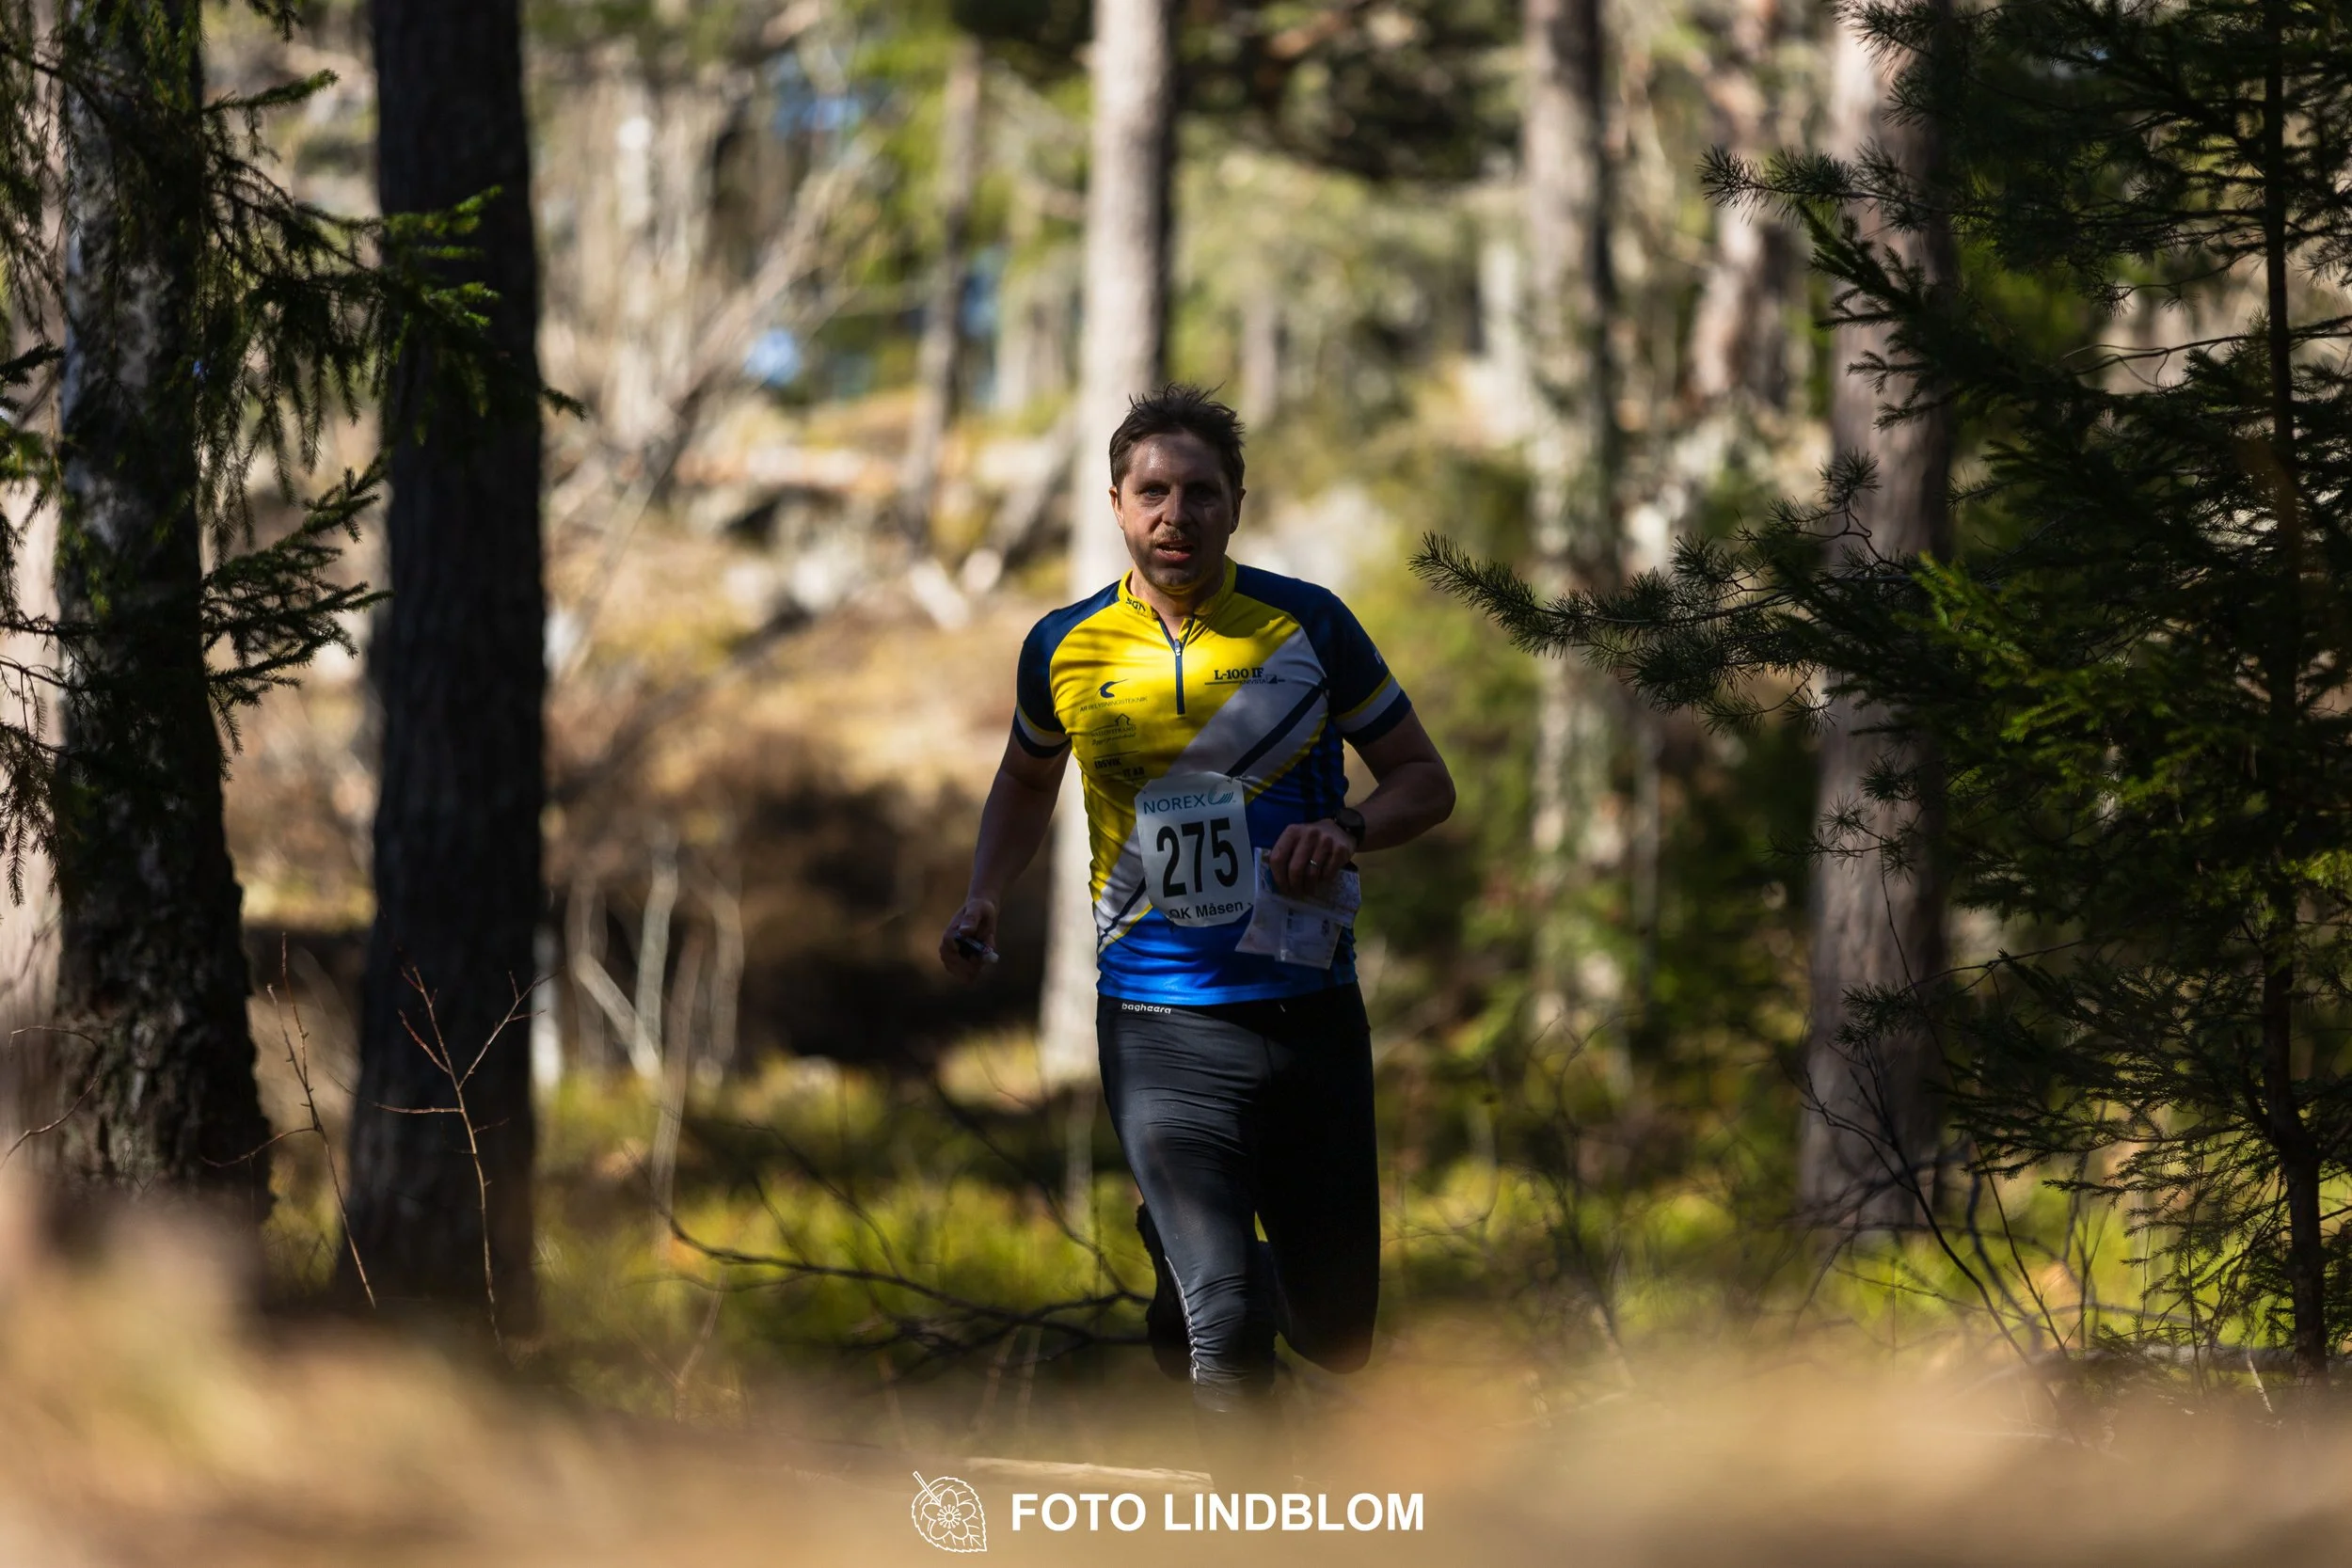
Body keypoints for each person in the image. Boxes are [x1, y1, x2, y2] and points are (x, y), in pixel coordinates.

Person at [938, 384, 1454, 1435]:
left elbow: (1422, 778)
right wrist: (985, 891)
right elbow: (1027, 780)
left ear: (1236, 505)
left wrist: (1349, 829)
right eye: (1154, 492)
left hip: (1309, 1008)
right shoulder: (1063, 646)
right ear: (1119, 505)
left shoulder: (1308, 624)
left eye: (1202, 493)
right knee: (1224, 1339)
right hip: (1157, 1020)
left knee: (1336, 1333)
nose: (1177, 515)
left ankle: (1198, 1257)